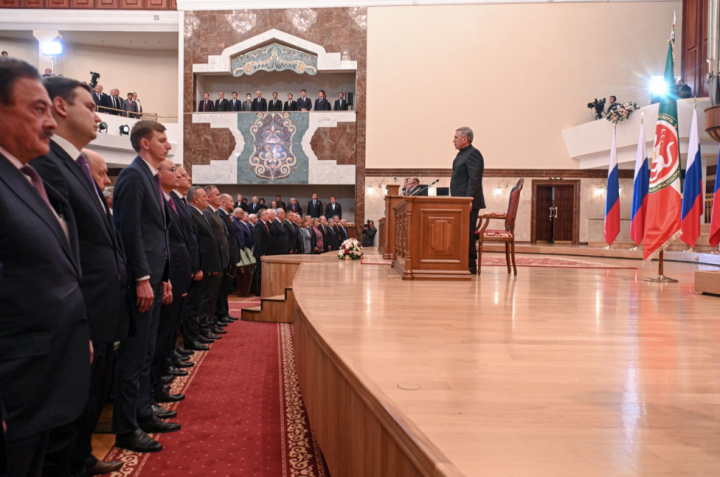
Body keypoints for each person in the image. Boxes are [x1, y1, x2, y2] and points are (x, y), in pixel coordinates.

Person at [32, 76, 128, 477]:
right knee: (67, 416)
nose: (98, 115)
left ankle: (83, 459)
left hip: (99, 306)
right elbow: (59, 250)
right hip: (81, 308)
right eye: (90, 106)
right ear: (59, 107)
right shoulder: (50, 163)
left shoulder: (75, 163)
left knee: (87, 401)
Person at [0, 57, 91, 477]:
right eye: (37, 109)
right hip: (14, 387)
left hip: (42, 375)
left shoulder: (24, 178)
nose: (50, 123)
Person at [112, 120, 175, 453]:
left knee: (147, 353)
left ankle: (143, 411)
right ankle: (126, 426)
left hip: (153, 277)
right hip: (141, 282)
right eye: (163, 140)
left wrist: (162, 276)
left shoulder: (149, 178)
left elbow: (157, 234)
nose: (169, 145)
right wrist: (141, 278)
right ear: (145, 143)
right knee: (134, 356)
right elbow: (129, 232)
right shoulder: (133, 176)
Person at [151, 160, 193, 414]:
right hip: (165, 275)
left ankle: (160, 376)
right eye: (176, 171)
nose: (180, 176)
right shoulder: (164, 199)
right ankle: (156, 382)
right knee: (161, 333)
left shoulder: (175, 202)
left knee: (167, 332)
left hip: (174, 274)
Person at [171, 167, 207, 353]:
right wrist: (194, 267)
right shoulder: (173, 200)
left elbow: (190, 238)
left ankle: (177, 348)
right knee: (181, 312)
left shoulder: (181, 201)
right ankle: (177, 348)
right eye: (184, 175)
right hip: (180, 267)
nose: (189, 178)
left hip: (188, 264)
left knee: (184, 311)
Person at [185, 186, 222, 347]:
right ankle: (195, 335)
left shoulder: (201, 214)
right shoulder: (193, 213)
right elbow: (197, 244)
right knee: (198, 303)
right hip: (202, 267)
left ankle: (201, 330)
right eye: (204, 197)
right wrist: (199, 267)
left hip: (208, 265)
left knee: (206, 299)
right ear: (196, 200)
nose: (207, 199)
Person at [450, 126, 485, 275]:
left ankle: (470, 265)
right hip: (460, 202)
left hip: (467, 203)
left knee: (467, 233)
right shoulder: (461, 154)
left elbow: (474, 179)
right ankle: (461, 261)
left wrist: (469, 199)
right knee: (461, 232)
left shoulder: (473, 154)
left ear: (465, 139)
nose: (453, 140)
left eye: (456, 137)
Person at [201, 186, 230, 336]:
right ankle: (206, 325)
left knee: (214, 295)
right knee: (208, 297)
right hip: (212, 262)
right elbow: (208, 242)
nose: (220, 197)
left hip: (220, 261)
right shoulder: (207, 213)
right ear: (208, 197)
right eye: (217, 195)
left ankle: (211, 323)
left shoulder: (215, 213)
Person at [216, 194, 241, 324]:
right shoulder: (220, 215)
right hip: (228, 257)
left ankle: (224, 312)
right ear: (224, 203)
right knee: (223, 288)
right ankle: (221, 313)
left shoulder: (225, 216)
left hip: (231, 256)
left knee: (226, 288)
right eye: (231, 201)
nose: (234, 203)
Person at [252, 209, 273, 294]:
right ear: (261, 216)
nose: (268, 215)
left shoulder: (265, 224)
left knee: (264, 271)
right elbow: (258, 240)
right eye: (266, 214)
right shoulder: (259, 225)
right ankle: (258, 290)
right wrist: (261, 253)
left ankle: (263, 288)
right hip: (261, 253)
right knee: (259, 272)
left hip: (266, 252)